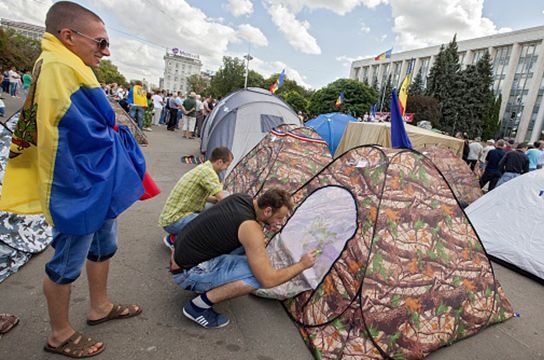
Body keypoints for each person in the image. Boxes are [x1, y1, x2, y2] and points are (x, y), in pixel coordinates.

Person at [0, 2, 148, 357]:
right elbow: (69, 137)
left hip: (95, 180)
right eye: (100, 42)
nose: (106, 51)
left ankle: (99, 307)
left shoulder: (66, 63)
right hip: (79, 183)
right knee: (67, 260)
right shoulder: (57, 67)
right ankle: (60, 334)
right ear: (68, 36)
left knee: (103, 245)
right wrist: (123, 139)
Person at [170, 189, 317, 328]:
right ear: (267, 211)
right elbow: (268, 280)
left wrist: (259, 233)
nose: (280, 222)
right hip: (186, 274)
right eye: (279, 217)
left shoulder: (241, 198)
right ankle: (197, 308)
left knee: (249, 253)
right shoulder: (250, 228)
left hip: (177, 257)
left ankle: (207, 283)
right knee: (257, 277)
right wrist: (302, 265)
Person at [159, 147, 233, 245]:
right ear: (219, 162)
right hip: (173, 221)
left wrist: (216, 200)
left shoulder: (204, 167)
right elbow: (223, 200)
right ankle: (175, 240)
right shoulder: (208, 173)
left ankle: (180, 233)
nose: (226, 168)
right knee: (211, 222)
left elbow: (203, 197)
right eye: (227, 165)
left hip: (172, 216)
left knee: (214, 207)